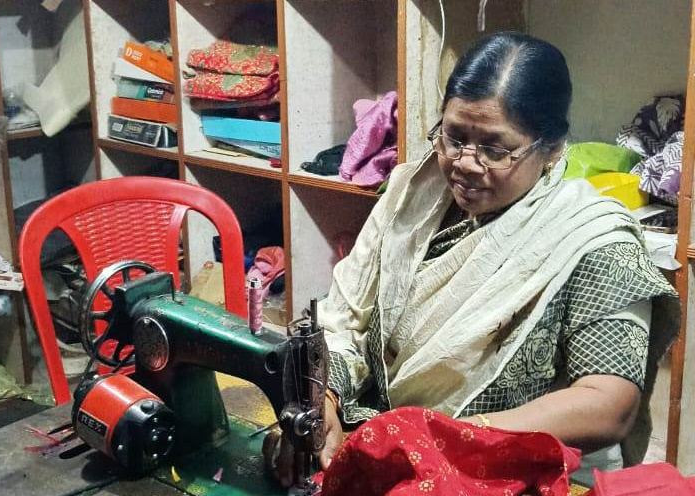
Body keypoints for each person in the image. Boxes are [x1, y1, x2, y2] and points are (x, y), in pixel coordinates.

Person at [265, 32, 679, 487]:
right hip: (393, 447)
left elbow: (608, 403)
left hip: (509, 470)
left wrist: (444, 436)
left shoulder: (593, 237)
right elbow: (347, 320)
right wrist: (323, 399)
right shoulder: (412, 195)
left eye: (494, 149)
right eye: (454, 136)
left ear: (552, 148)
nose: (465, 162)